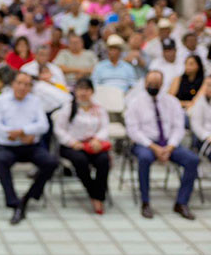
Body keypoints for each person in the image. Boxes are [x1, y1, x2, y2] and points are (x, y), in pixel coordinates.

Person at [125, 70, 197, 220]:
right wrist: (154, 147)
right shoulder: (135, 103)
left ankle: (181, 202)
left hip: (169, 143)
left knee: (192, 160)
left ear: (162, 84)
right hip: (146, 143)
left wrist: (170, 147)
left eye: (156, 84)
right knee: (144, 158)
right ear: (145, 83)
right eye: (150, 84)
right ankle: (145, 202)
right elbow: (133, 130)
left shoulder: (171, 102)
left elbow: (179, 127)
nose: (153, 86)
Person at [0, 72, 58, 225]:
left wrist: (24, 131)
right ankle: (13, 201)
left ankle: (29, 196)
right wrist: (16, 134)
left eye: (27, 84)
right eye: (19, 83)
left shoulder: (35, 101)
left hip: (31, 146)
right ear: (13, 84)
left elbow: (43, 125)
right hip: (8, 145)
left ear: (30, 87)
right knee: (0, 160)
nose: (22, 87)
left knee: (51, 162)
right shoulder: (1, 101)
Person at [53, 78, 110, 214]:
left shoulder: (98, 108)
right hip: (73, 145)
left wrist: (97, 139)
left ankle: (98, 195)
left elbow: (105, 127)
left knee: (104, 160)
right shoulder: (69, 107)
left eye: (86, 89)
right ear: (75, 91)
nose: (83, 93)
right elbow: (59, 129)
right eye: (80, 89)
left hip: (93, 144)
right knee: (80, 161)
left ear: (92, 91)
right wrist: (72, 142)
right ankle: (94, 194)